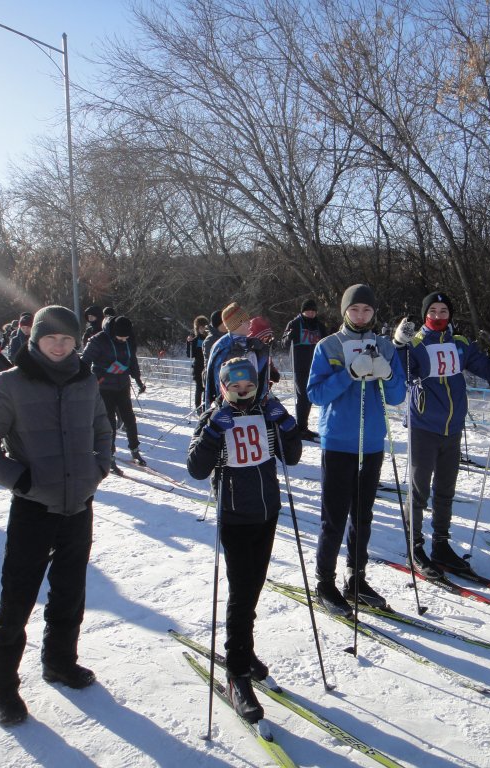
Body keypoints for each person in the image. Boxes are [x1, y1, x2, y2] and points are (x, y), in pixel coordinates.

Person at [0, 305, 113, 727]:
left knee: (70, 592)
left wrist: (98, 469)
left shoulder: (86, 380)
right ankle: (2, 685)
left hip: (78, 505)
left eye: (67, 338)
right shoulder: (9, 384)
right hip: (33, 507)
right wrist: (23, 481)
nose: (59, 344)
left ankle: (60, 662)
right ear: (35, 339)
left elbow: (103, 431)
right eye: (51, 337)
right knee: (18, 598)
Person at [186, 357, 302, 723]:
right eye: (233, 385)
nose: (240, 391)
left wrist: (285, 424)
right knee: (240, 596)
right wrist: (212, 433)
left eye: (247, 385)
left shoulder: (266, 413)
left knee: (253, 589)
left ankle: (245, 652)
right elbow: (196, 468)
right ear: (222, 387)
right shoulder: (213, 417)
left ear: (257, 385)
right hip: (235, 517)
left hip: (267, 513)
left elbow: (292, 457)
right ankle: (236, 671)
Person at [393, 291, 490, 576]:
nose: (438, 316)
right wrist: (398, 344)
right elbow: (399, 372)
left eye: (443, 311)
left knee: (446, 491)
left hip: (452, 427)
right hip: (423, 426)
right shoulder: (417, 342)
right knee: (419, 490)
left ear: (450, 314)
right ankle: (414, 547)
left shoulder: (460, 343)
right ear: (425, 314)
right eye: (433, 311)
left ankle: (441, 545)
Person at [308, 284, 406, 615]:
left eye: (366, 310)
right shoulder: (329, 345)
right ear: (344, 311)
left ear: (374, 313)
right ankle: (324, 582)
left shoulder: (384, 346)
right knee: (333, 518)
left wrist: (388, 373)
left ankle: (356, 578)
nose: (360, 315)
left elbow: (396, 396)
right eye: (354, 310)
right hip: (338, 441)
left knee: (363, 516)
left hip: (372, 442)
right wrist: (348, 375)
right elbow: (315, 394)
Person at [81, 315, 147, 470]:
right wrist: (95, 377)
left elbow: (132, 361)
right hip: (104, 387)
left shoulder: (128, 340)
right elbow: (84, 362)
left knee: (129, 419)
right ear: (113, 332)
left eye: (126, 338)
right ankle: (109, 455)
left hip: (122, 385)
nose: (123, 340)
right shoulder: (99, 340)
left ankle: (135, 450)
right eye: (120, 338)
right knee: (109, 423)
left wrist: (138, 381)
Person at [203, 303, 271, 411]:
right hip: (230, 405)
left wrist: (263, 351)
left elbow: (261, 373)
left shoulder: (253, 343)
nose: (249, 323)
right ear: (236, 324)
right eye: (245, 321)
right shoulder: (223, 346)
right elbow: (217, 380)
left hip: (254, 401)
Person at [282, 299, 328, 441]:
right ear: (302, 311)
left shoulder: (319, 326)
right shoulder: (294, 324)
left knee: (311, 397)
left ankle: (303, 427)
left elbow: (327, 343)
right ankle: (301, 428)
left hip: (316, 367)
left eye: (313, 311)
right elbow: (284, 343)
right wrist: (288, 337)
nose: (311, 313)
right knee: (303, 397)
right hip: (300, 366)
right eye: (308, 310)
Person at [186, 315, 209, 412]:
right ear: (197, 328)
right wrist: (189, 343)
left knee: (207, 388)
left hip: (207, 365)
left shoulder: (209, 339)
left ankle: (205, 406)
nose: (202, 329)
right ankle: (198, 407)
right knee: (199, 387)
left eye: (204, 327)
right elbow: (190, 355)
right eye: (200, 327)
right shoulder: (195, 340)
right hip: (198, 367)